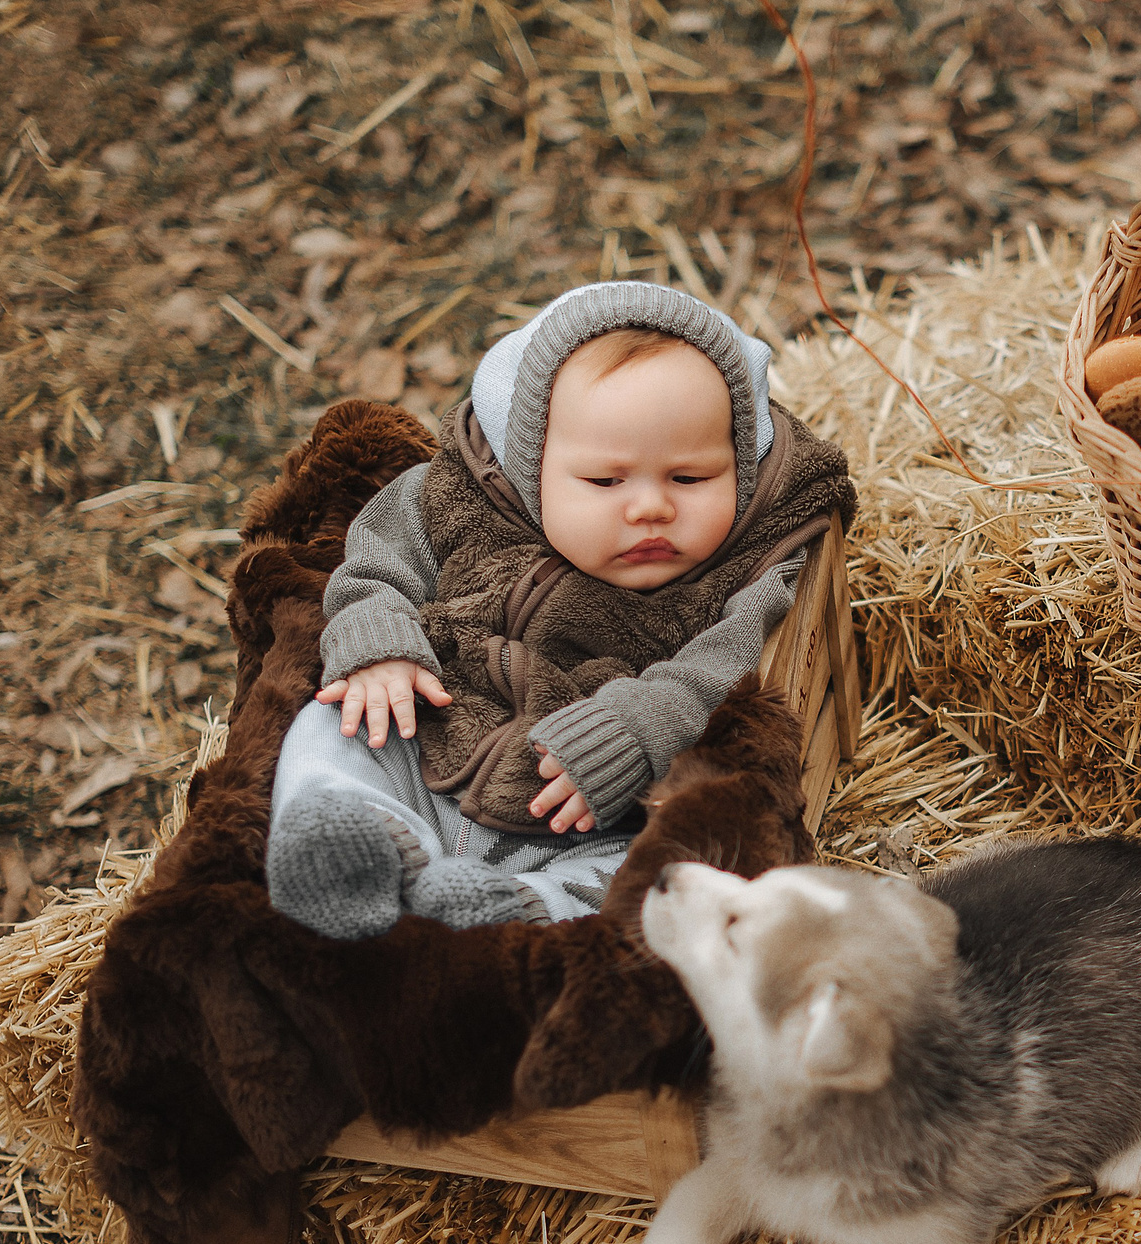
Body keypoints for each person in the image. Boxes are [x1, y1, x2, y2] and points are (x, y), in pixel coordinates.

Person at [264, 281, 855, 939]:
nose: (650, 507)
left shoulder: (746, 560)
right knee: (334, 723)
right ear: (530, 465)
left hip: (595, 809)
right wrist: (381, 642)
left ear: (741, 471)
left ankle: (516, 906)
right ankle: (359, 846)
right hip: (444, 736)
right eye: (605, 481)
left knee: (673, 861)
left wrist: (644, 724)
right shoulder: (466, 500)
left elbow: (735, 655)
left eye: (690, 478)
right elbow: (378, 554)